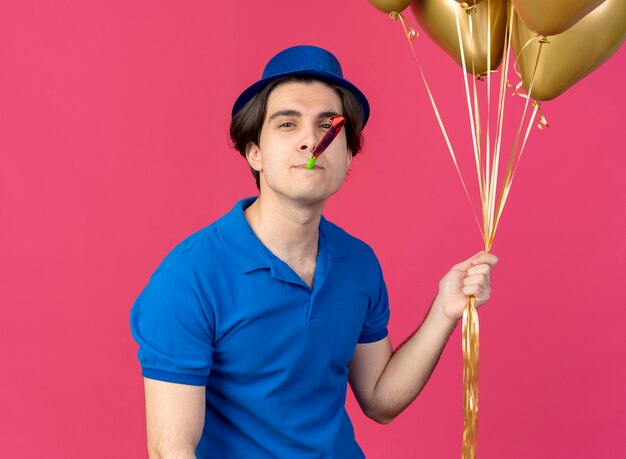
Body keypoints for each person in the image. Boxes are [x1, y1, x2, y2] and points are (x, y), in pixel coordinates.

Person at [130, 45, 498, 458]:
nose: (311, 140)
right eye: (288, 124)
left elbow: (379, 399)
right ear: (255, 154)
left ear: (347, 153)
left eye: (329, 126)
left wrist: (444, 311)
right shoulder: (187, 281)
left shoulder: (358, 263)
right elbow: (170, 450)